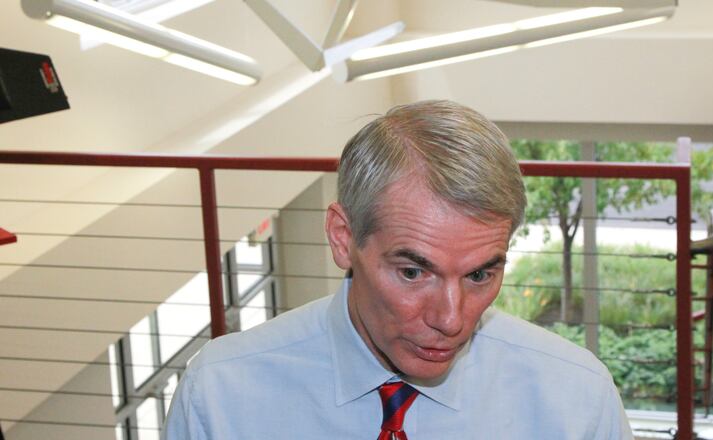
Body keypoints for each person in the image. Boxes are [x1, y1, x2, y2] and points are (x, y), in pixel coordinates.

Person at [164, 100, 633, 439]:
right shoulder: (220, 395)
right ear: (343, 238)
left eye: (479, 275)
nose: (451, 320)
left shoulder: (576, 399)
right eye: (413, 272)